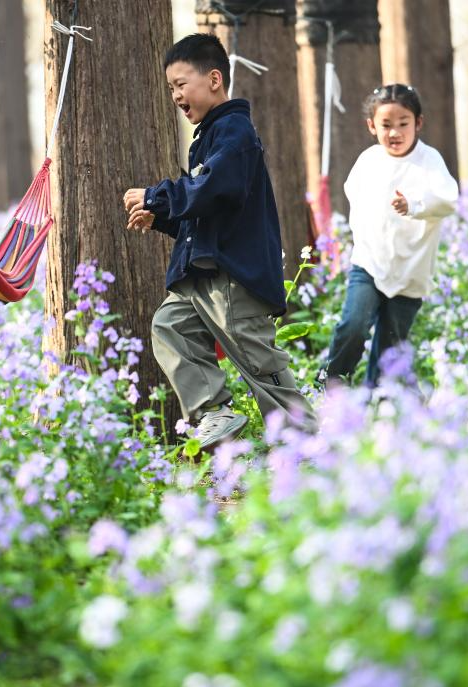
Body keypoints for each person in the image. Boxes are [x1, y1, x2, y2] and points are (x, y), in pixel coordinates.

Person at [123, 33, 316, 451]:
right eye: (171, 87)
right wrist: (162, 218)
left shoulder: (235, 132)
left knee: (257, 363)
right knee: (169, 326)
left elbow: (216, 190)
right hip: (201, 275)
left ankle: (307, 442)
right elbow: (205, 216)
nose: (175, 95)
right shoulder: (209, 138)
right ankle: (214, 410)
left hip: (232, 277)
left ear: (213, 79)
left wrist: (157, 196)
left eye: (180, 84)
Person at [317, 83, 459, 389]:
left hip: (411, 270)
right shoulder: (369, 161)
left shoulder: (429, 160)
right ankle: (332, 384)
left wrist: (414, 205)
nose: (394, 132)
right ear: (371, 126)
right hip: (370, 263)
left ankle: (379, 398)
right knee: (353, 325)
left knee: (391, 342)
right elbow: (355, 197)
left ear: (418, 123)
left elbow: (448, 199)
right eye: (386, 125)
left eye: (403, 124)